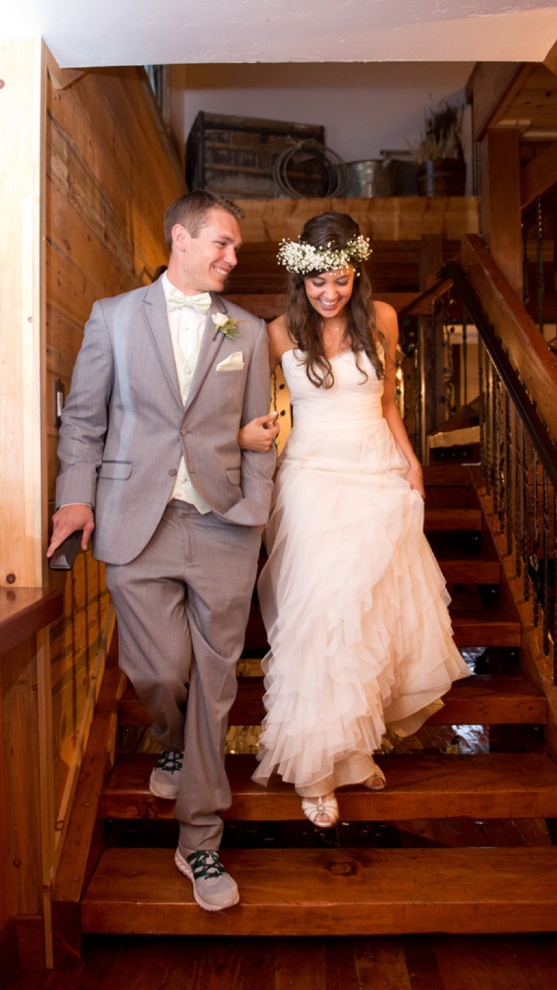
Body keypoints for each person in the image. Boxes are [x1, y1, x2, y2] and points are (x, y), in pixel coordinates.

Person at [47, 190, 276, 911]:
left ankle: (200, 843)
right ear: (183, 237)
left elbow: (262, 429)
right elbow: (83, 420)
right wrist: (72, 497)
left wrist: (258, 509)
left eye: (235, 249)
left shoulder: (248, 332)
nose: (233, 259)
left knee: (214, 685)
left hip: (223, 524)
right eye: (224, 244)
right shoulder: (113, 318)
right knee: (159, 670)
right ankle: (168, 740)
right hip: (133, 520)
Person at [242, 211, 470, 827]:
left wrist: (412, 461)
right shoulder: (276, 334)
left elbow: (388, 402)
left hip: (378, 477)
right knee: (322, 618)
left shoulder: (384, 319)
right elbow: (242, 403)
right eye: (317, 282)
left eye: (340, 280)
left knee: (371, 616)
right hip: (313, 480)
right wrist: (247, 438)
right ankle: (316, 769)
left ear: (355, 273)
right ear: (300, 279)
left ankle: (352, 747)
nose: (329, 293)